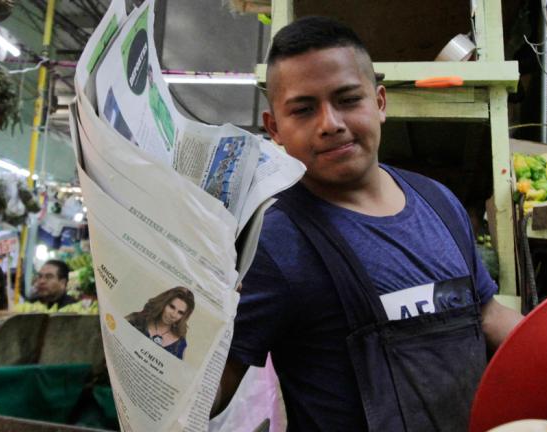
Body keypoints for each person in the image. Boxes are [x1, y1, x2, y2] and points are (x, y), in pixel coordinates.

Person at [213, 16, 524, 430]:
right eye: (304, 110)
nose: (330, 124)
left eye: (347, 99)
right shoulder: (275, 243)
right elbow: (211, 391)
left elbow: (486, 314)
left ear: (379, 103)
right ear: (276, 129)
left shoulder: (439, 201)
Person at [125, 286, 194, 360]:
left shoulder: (179, 345)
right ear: (163, 303)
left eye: (180, 312)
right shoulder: (136, 319)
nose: (173, 315)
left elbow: (175, 370)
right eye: (171, 307)